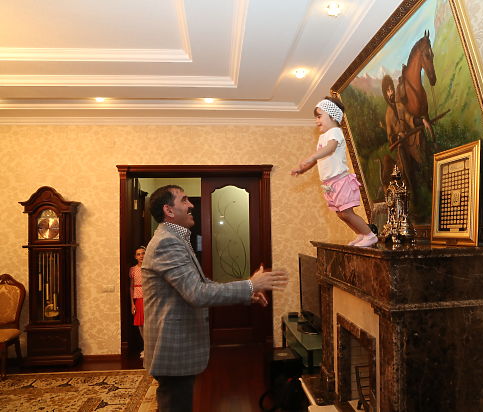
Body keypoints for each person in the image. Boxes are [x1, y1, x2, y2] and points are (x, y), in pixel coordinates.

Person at [141, 184, 289, 412]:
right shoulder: (166, 242)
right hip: (173, 346)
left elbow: (202, 284)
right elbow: (197, 294)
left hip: (177, 346)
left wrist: (248, 293)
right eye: (184, 200)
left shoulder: (176, 238)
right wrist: (252, 284)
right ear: (168, 210)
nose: (191, 205)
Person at [291, 96, 378, 247]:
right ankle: (361, 233)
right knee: (341, 214)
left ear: (332, 116)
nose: (316, 121)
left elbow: (330, 148)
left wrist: (311, 156)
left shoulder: (335, 131)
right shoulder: (322, 137)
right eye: (316, 117)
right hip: (329, 184)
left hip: (340, 180)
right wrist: (303, 169)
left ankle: (370, 235)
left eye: (319, 116)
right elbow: (319, 158)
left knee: (347, 212)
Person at [129, 245, 146, 358]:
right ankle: (146, 347)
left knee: (150, 324)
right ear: (135, 257)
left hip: (150, 299)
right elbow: (131, 287)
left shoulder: (150, 267)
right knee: (141, 325)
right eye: (138, 254)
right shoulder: (133, 270)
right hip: (138, 299)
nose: (141, 256)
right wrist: (132, 304)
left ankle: (151, 349)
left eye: (143, 253)